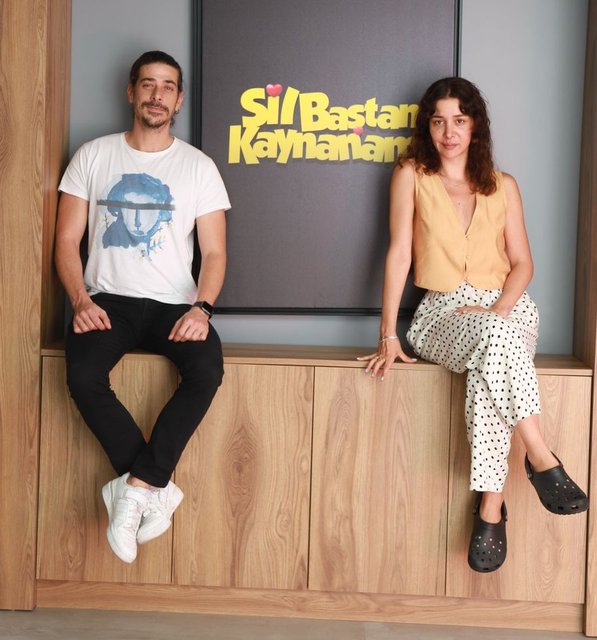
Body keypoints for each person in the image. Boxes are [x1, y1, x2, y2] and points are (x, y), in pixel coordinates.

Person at [358, 77, 588, 573]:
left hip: (507, 308)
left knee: (494, 348)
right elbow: (398, 254)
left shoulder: (504, 186)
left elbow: (523, 264)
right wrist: (387, 333)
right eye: (438, 121)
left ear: (475, 126)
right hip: (443, 312)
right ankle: (539, 456)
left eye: (459, 121)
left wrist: (498, 309)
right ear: (428, 128)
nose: (449, 132)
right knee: (496, 344)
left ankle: (491, 504)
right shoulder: (411, 175)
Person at [55, 51, 231, 564]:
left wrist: (202, 309)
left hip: (175, 305)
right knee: (83, 374)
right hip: (106, 301)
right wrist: (79, 300)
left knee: (207, 369)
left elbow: (215, 253)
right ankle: (155, 487)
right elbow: (66, 240)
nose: (157, 95)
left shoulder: (198, 167)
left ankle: (134, 487)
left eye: (167, 86)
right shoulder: (93, 155)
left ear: (179, 99)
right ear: (131, 92)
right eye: (148, 84)